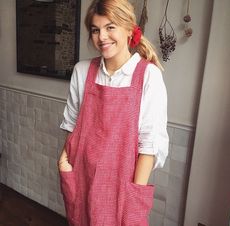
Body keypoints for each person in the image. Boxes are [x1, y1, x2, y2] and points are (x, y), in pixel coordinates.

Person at [58, 0, 169, 225]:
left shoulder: (148, 76)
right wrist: (64, 163)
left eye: (110, 27)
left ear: (129, 29)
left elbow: (149, 145)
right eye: (96, 30)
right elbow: (71, 125)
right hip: (82, 177)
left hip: (122, 188)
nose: (102, 37)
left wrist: (133, 198)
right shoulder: (82, 71)